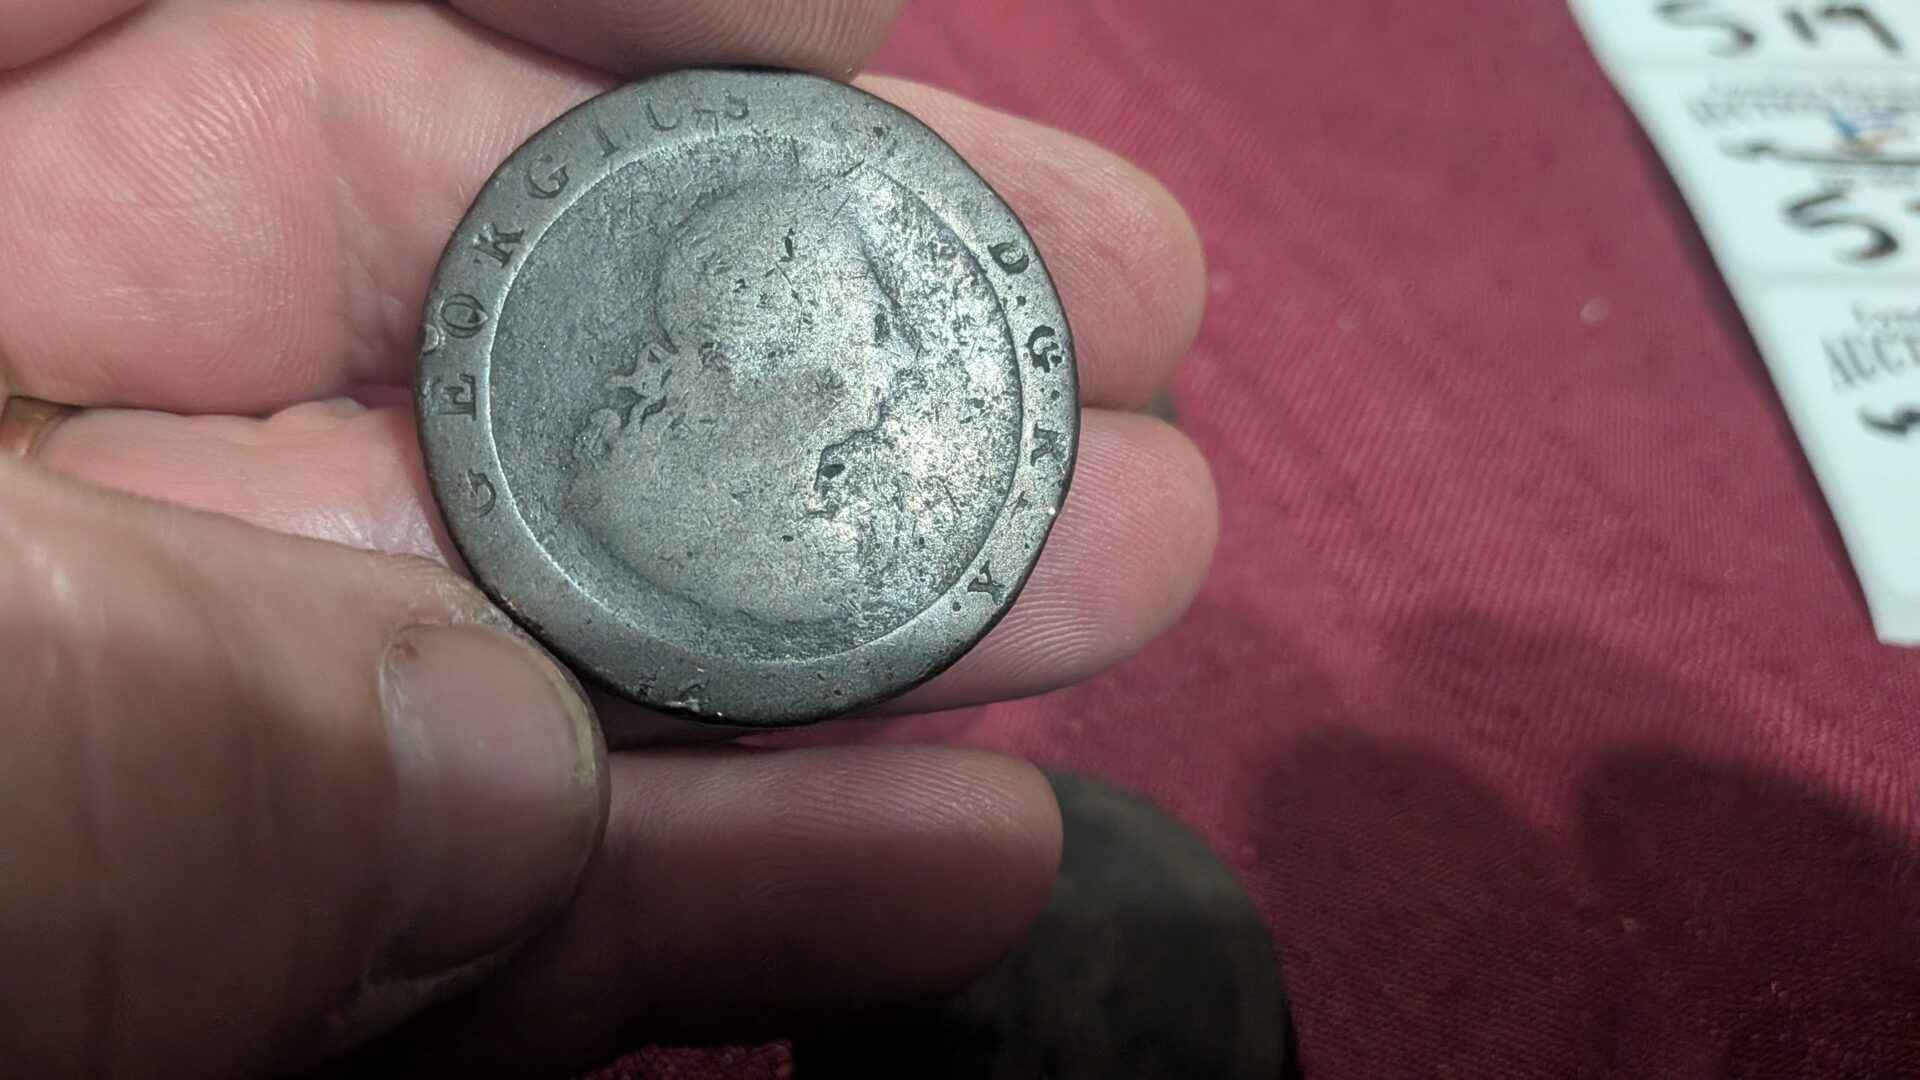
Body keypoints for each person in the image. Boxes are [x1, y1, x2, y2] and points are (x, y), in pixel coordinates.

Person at [0, 0, 1217, 1073]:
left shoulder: (786, 547)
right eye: (865, 320)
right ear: (755, 363)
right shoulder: (672, 541)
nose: (902, 353)